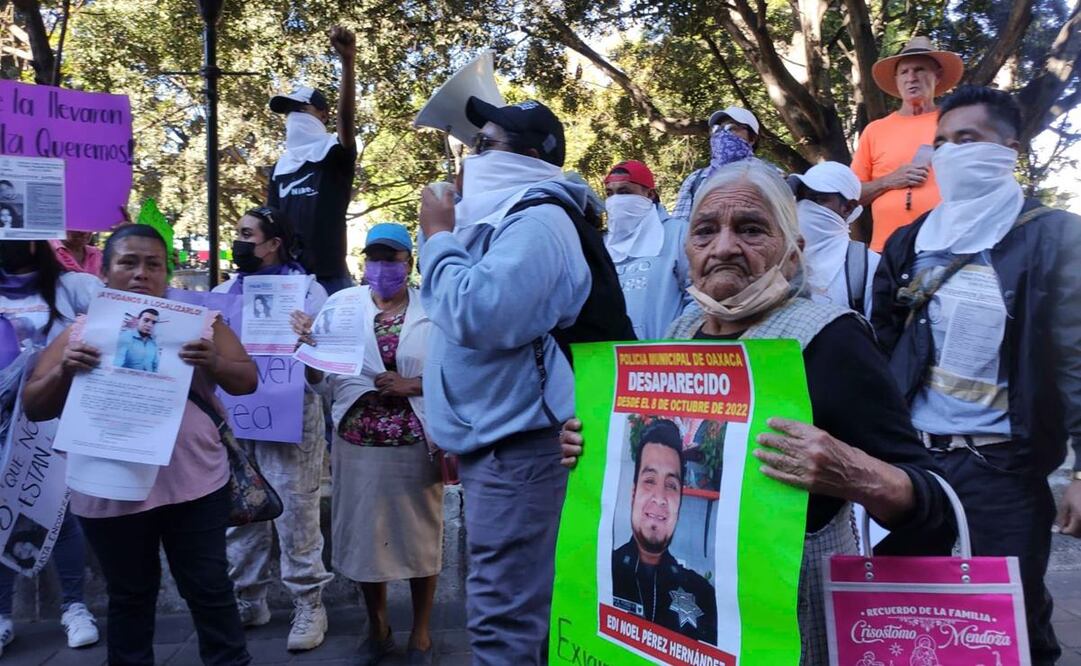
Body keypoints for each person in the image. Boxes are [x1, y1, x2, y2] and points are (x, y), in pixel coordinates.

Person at [561, 160, 954, 666]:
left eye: (750, 229)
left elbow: (934, 502)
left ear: (794, 253)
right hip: (682, 632)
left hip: (791, 625)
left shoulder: (833, 339)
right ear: (688, 252)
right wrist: (595, 449)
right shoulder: (681, 334)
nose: (724, 247)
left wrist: (857, 474)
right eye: (706, 231)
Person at [871, 85, 1081, 666]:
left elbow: (1075, 357)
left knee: (1010, 619)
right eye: (941, 142)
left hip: (1004, 467)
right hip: (916, 466)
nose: (951, 153)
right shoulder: (912, 240)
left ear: (1009, 148)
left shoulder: (1055, 236)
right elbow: (881, 346)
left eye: (968, 139)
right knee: (913, 616)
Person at [22, 224, 258, 665]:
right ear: (105, 271)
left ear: (167, 271)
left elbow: (247, 381)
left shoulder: (202, 325)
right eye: (128, 262)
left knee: (209, 589)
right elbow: (35, 406)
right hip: (109, 491)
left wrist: (216, 361)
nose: (140, 273)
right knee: (130, 596)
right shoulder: (81, 331)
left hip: (194, 484)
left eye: (153, 263)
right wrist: (63, 371)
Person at [417, 97, 592, 665]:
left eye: (485, 145)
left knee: (502, 620)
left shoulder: (541, 221)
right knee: (517, 610)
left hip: (520, 451)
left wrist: (438, 235)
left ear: (531, 156)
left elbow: (480, 312)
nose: (471, 159)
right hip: (501, 447)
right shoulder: (512, 219)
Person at [293, 223, 441, 666]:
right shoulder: (340, 306)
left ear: (408, 263)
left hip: (415, 439)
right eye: (373, 258)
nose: (381, 268)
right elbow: (320, 383)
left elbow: (457, 373)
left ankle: (421, 634)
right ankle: (377, 627)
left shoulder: (433, 308)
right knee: (364, 541)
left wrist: (413, 384)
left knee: (420, 540)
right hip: (356, 440)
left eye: (391, 259)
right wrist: (309, 353)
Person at [215, 206, 333, 651]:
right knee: (241, 509)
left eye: (247, 234)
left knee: (296, 510)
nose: (239, 241)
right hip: (238, 416)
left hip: (292, 415)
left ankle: (308, 602)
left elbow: (324, 373)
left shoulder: (308, 292)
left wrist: (312, 341)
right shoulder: (224, 293)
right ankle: (248, 597)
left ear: (272, 244)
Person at [0, 239, 101, 656]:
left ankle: (75, 607)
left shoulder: (74, 287)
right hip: (3, 419)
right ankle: (3, 615)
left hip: (54, 416)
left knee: (60, 512)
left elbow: (112, 316)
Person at [267, 26, 357, 295]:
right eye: (290, 112)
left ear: (324, 115)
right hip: (288, 282)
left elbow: (346, 120)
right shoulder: (280, 169)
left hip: (330, 281)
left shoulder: (333, 152)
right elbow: (271, 225)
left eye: (301, 109)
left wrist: (347, 62)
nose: (294, 116)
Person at [851, 36, 963, 251]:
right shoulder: (875, 130)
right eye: (904, 72)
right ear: (897, 80)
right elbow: (851, 196)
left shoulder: (955, 124)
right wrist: (888, 181)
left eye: (920, 69)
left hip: (945, 250)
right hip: (885, 253)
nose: (911, 78)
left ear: (937, 76)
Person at [611, 419, 717, 643]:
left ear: (680, 500)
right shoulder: (600, 569)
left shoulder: (703, 595)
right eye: (649, 480)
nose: (660, 498)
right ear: (633, 492)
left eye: (671, 485)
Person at [603, 161, 692, 340]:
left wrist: (680, 341)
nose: (615, 201)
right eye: (609, 194)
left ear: (649, 194)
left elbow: (697, 296)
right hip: (612, 359)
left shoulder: (678, 233)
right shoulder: (602, 242)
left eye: (624, 192)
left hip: (666, 358)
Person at [790, 161, 879, 316]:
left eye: (818, 199)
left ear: (848, 207)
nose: (805, 206)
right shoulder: (778, 259)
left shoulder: (868, 266)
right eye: (801, 198)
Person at [672, 107, 762, 220]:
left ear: (752, 138)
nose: (722, 133)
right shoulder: (695, 180)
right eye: (716, 129)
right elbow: (680, 228)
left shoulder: (773, 177)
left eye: (731, 127)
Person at [114, 308, 160, 372]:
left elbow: (155, 365)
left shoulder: (154, 342)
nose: (150, 325)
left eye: (153, 322)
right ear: (138, 320)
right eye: (146, 320)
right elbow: (116, 365)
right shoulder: (124, 337)